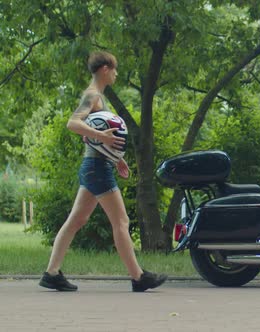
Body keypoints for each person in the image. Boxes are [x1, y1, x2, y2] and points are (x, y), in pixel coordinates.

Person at [39, 51, 167, 292]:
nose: (117, 74)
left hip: (96, 166)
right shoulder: (92, 95)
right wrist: (100, 137)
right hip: (96, 169)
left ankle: (51, 273)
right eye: (115, 69)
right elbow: (73, 123)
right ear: (105, 69)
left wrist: (117, 158)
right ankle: (138, 277)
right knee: (121, 221)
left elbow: (98, 138)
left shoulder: (98, 97)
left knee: (77, 220)